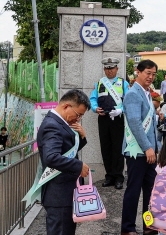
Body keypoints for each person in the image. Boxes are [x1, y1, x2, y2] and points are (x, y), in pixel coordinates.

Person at [37, 89, 91, 235]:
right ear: (67, 106)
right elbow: (51, 157)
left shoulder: (59, 123)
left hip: (64, 192)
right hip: (59, 195)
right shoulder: (52, 125)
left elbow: (65, 151)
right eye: (78, 114)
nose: (78, 119)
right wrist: (78, 166)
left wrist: (82, 137)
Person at [121, 59, 160, 235]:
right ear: (138, 72)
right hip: (138, 152)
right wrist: (147, 148)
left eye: (153, 74)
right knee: (134, 191)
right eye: (148, 73)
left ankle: (148, 225)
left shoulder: (145, 92)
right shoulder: (133, 94)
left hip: (149, 152)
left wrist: (155, 148)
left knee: (150, 191)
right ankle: (127, 228)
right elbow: (135, 122)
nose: (151, 77)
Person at [90, 57, 129, 190]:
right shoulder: (100, 83)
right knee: (105, 147)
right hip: (103, 118)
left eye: (112, 68)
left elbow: (128, 102)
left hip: (118, 119)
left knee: (118, 148)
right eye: (107, 68)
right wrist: (95, 108)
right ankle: (109, 176)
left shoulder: (123, 83)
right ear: (104, 69)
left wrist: (121, 110)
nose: (109, 71)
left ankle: (118, 177)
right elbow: (93, 99)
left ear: (117, 69)